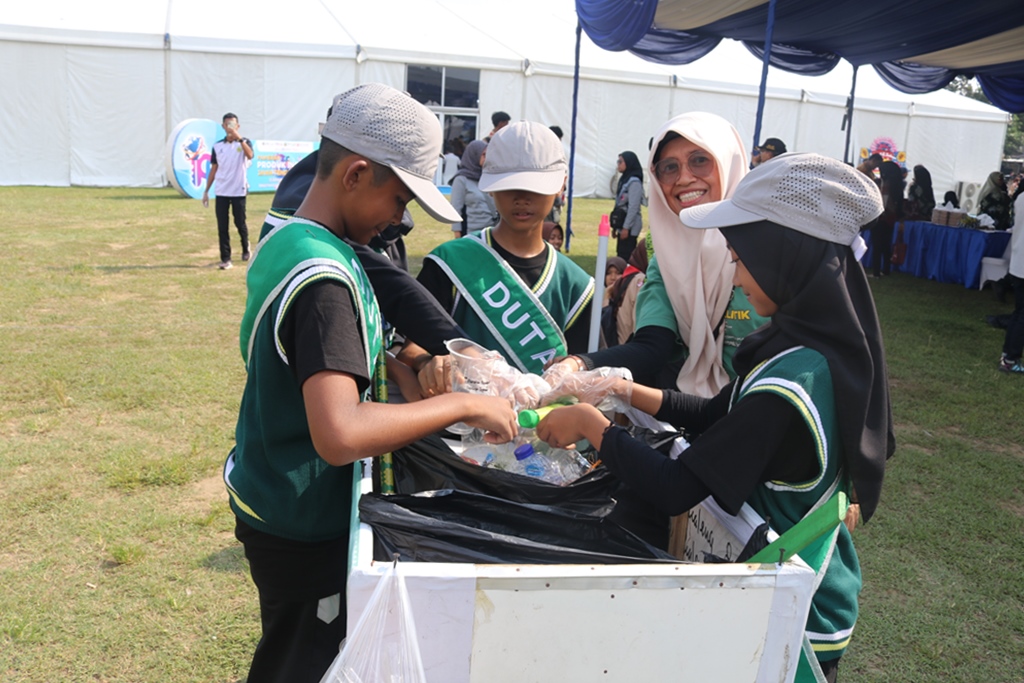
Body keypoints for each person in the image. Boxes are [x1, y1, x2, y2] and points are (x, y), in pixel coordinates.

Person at [537, 153, 893, 683]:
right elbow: (717, 414)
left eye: (741, 256)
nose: (734, 270)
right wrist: (623, 388)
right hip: (778, 587)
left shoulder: (796, 380)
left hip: (794, 616)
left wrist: (592, 424)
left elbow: (679, 487)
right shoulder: (805, 345)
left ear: (782, 257)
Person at [225, 83, 518, 683]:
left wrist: (414, 364)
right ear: (356, 173)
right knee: (298, 662)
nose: (403, 217)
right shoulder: (325, 282)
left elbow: (354, 351)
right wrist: (463, 402)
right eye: (400, 195)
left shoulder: (296, 239)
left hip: (270, 493)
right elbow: (340, 432)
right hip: (300, 519)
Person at [546, 112, 769, 397]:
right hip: (689, 418)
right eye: (669, 167)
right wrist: (578, 364)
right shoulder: (667, 259)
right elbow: (653, 346)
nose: (684, 178)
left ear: (729, 162)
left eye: (700, 160)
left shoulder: (771, 249)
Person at [413, 120, 596, 384]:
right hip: (457, 423)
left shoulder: (576, 286)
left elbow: (585, 370)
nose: (521, 197)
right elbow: (409, 347)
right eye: (508, 184)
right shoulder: (448, 263)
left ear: (561, 184)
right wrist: (429, 363)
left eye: (535, 186)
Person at [202, 112, 253, 270]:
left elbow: (250, 155)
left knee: (240, 223)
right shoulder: (217, 146)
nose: (230, 127)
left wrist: (239, 138)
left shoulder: (244, 143)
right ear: (223, 126)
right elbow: (214, 169)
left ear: (237, 126)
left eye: (233, 124)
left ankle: (246, 248)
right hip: (222, 191)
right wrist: (206, 191)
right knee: (222, 226)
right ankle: (226, 258)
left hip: (238, 190)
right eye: (227, 125)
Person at [602, 237, 650, 347]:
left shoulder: (627, 277)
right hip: (630, 345)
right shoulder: (639, 280)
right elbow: (638, 322)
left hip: (617, 344)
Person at [998, 192, 1024, 373]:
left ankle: (1008, 355)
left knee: (1019, 312)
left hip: (1018, 263)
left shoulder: (1021, 197)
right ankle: (1010, 358)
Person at [449, 139, 497, 238]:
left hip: (493, 232)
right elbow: (455, 209)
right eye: (483, 155)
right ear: (474, 155)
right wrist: (457, 235)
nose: (486, 159)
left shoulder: (488, 176)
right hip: (472, 234)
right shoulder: (461, 179)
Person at [871, 160, 904, 277]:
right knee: (886, 245)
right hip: (890, 218)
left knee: (877, 245)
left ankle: (876, 272)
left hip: (880, 217)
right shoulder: (898, 186)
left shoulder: (881, 183)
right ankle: (886, 269)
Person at [613, 151, 645, 259]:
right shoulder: (624, 179)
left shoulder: (634, 182)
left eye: (620, 162)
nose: (618, 164)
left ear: (628, 163)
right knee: (620, 253)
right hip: (622, 224)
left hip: (630, 226)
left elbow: (633, 207)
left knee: (626, 255)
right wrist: (615, 227)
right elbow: (618, 204)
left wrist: (626, 228)